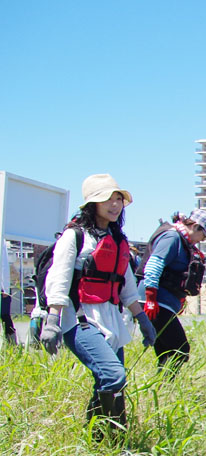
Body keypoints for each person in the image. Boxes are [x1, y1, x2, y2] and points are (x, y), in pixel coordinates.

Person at [40, 174, 156, 434]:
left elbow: (126, 287)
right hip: (79, 319)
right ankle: (115, 440)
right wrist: (51, 321)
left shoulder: (117, 239)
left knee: (109, 382)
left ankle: (97, 441)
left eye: (118, 199)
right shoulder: (75, 236)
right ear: (92, 204)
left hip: (110, 318)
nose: (114, 205)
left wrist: (143, 320)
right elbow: (57, 279)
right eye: (107, 199)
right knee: (113, 375)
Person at [140, 209, 206, 371]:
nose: (201, 240)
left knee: (166, 352)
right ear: (195, 227)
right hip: (157, 303)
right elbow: (153, 266)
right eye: (203, 236)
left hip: (163, 303)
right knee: (181, 349)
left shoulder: (182, 241)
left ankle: (162, 388)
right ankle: (166, 385)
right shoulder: (172, 238)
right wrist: (151, 299)